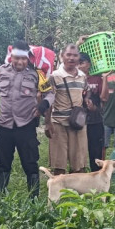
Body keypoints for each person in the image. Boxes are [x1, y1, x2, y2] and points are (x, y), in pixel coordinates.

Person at [0, 40, 53, 197]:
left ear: (28, 58)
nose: (20, 62)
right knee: (2, 164)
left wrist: (43, 106)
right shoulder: (1, 71)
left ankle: (33, 200)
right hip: (5, 126)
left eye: (23, 59)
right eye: (16, 58)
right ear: (11, 56)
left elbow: (51, 93)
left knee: (30, 164)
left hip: (26, 126)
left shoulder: (36, 74)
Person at [46, 44, 88, 175]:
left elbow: (84, 94)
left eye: (75, 55)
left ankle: (77, 193)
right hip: (59, 123)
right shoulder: (55, 76)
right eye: (68, 55)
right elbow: (49, 99)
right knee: (59, 164)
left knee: (79, 163)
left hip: (77, 124)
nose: (71, 58)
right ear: (62, 56)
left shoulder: (82, 76)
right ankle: (59, 193)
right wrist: (48, 123)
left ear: (79, 57)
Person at [78, 52, 104, 171]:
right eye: (78, 63)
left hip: (95, 120)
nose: (79, 66)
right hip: (78, 121)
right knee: (78, 152)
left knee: (95, 151)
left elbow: (104, 98)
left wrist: (106, 79)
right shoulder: (74, 78)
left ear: (88, 64)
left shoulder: (97, 78)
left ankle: (97, 177)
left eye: (82, 63)